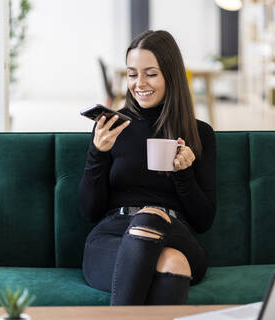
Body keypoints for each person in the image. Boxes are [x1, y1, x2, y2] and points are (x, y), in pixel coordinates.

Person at [78, 30, 216, 305]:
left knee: (151, 218)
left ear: (171, 75)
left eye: (150, 73)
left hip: (174, 233)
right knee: (173, 264)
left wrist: (183, 173)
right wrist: (98, 152)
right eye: (132, 74)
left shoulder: (200, 133)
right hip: (112, 237)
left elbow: (203, 221)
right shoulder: (111, 128)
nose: (139, 83)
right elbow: (89, 211)